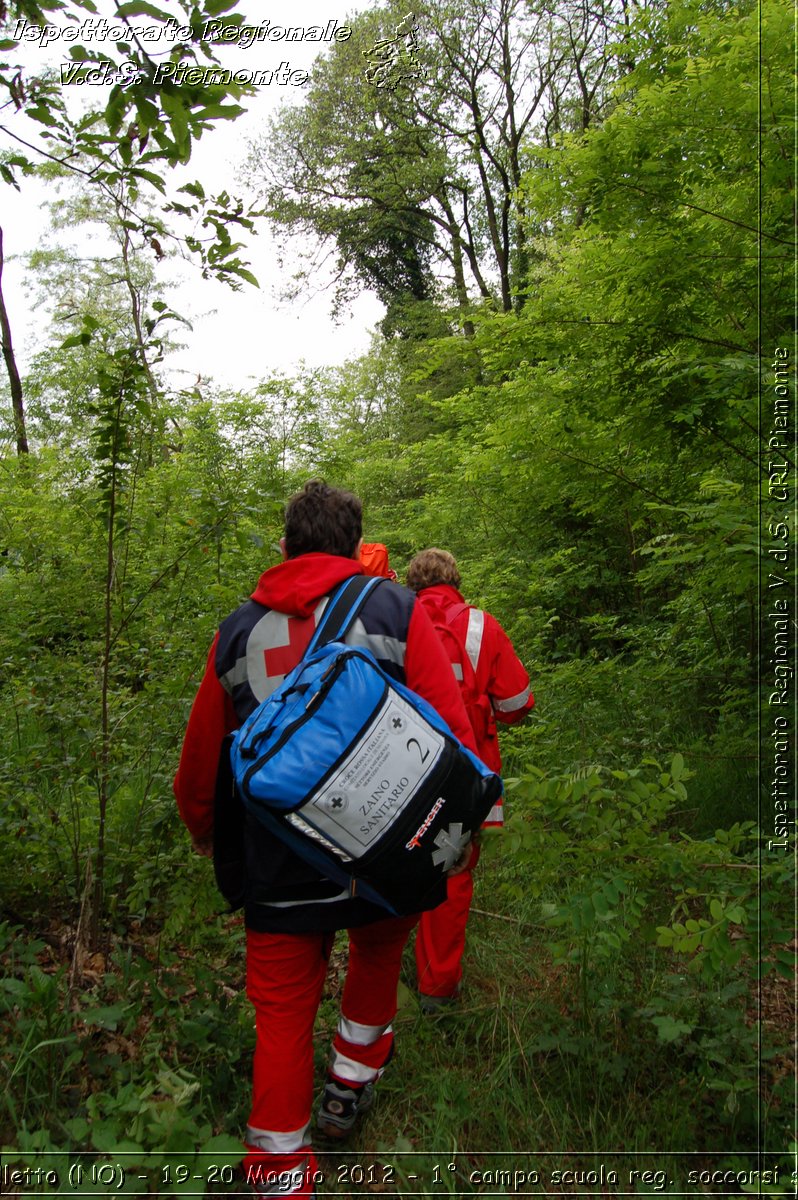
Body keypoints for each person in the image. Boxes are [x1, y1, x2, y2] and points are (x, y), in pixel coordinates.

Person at [174, 483, 476, 1200]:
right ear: (354, 545)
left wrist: (204, 828)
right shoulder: (395, 610)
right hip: (385, 848)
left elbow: (201, 761)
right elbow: (451, 730)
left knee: (280, 1010)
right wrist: (462, 824)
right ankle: (349, 1084)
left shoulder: (237, 633)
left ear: (284, 546)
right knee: (376, 957)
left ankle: (281, 1172)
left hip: (276, 856)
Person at [405, 548, 535, 1012]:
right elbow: (517, 701)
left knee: (393, 861)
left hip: (399, 773)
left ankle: (381, 970)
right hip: (463, 775)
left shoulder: (392, 619)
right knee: (451, 868)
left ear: (413, 583)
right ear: (455, 579)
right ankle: (436, 990)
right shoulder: (481, 625)